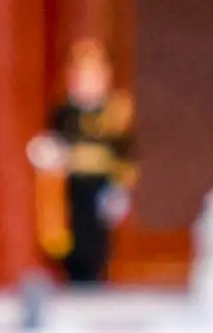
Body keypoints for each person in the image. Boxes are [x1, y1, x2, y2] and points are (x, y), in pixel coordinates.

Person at [31, 33, 138, 284]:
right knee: (69, 239)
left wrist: (120, 188)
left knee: (97, 241)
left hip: (100, 185)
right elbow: (53, 142)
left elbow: (124, 154)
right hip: (71, 184)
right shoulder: (64, 112)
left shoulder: (115, 112)